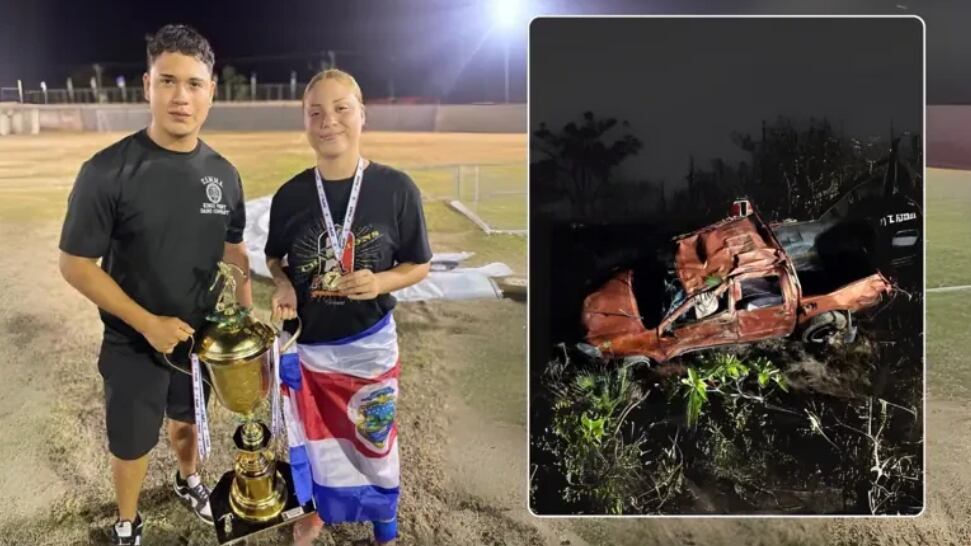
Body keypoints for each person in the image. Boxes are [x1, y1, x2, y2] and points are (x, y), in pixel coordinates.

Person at [58, 24, 251, 546]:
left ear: (211, 92)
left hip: (198, 338)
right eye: (168, 81)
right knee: (131, 443)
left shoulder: (224, 174)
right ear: (148, 85)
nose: (181, 96)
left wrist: (243, 318)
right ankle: (128, 521)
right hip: (133, 340)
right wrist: (147, 324)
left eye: (194, 84)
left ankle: (188, 480)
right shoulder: (107, 171)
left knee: (189, 422)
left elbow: (233, 249)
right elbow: (75, 264)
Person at [265, 69, 432, 546]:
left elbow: (419, 264)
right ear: (304, 121)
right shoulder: (290, 195)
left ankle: (383, 522)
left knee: (374, 438)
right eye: (315, 112)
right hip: (309, 348)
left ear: (362, 115)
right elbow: (275, 257)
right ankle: (317, 509)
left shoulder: (395, 189)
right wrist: (283, 284)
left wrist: (381, 281)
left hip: (368, 347)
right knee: (312, 437)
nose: (328, 121)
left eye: (341, 109)